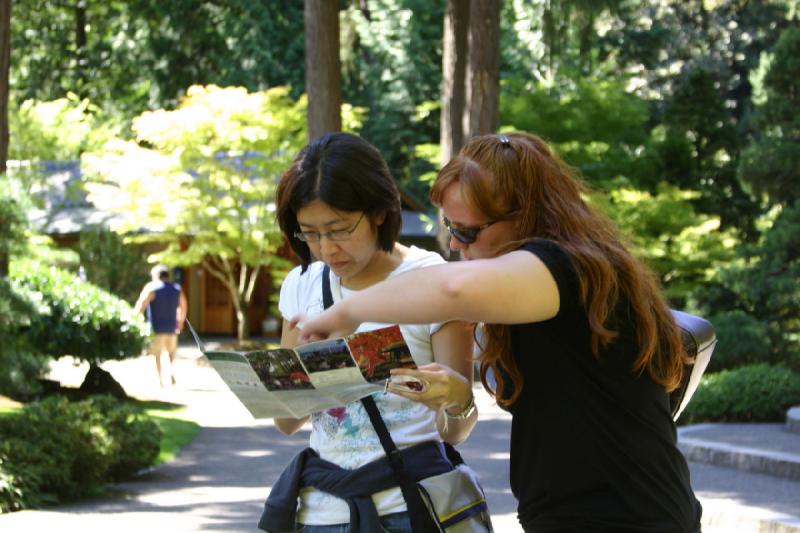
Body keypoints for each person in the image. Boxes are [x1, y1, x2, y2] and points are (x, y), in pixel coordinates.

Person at [295, 131, 704, 532]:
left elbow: (452, 288)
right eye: (449, 227)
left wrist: (341, 315)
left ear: (526, 216)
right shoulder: (557, 278)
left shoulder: (567, 267)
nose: (455, 245)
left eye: (468, 231)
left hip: (626, 518)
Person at [262, 132, 478, 533]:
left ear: (379, 211)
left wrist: (458, 398)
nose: (326, 249)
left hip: (409, 508)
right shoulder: (302, 284)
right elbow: (286, 422)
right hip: (321, 513)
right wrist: (299, 374)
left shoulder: (434, 281)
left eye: (339, 229)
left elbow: (455, 432)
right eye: (310, 233)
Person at [134, 264, 188, 387]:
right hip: (171, 328)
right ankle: (170, 373)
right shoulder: (176, 288)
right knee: (171, 354)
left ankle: (160, 381)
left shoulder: (152, 288)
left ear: (156, 276)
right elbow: (183, 305)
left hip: (156, 328)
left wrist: (135, 320)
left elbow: (141, 304)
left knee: (156, 355)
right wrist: (180, 321)